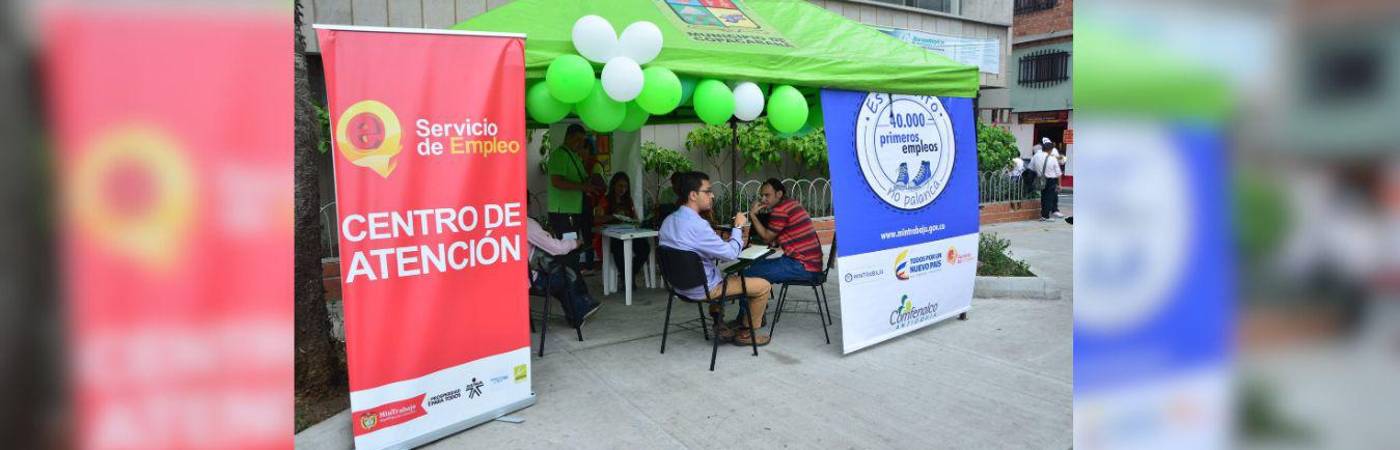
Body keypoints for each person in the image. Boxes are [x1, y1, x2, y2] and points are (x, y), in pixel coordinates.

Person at [659, 171, 772, 346]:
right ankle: (746, 334)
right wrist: (738, 226)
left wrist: (718, 245)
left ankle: (719, 324)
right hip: (703, 289)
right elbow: (731, 254)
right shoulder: (698, 225)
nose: (712, 195)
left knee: (717, 273)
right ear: (693, 195)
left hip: (678, 287)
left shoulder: (667, 222)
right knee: (763, 286)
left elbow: (690, 251)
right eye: (708, 191)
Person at [526, 216, 600, 327]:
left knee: (559, 275)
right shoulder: (527, 223)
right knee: (566, 275)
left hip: (511, 281)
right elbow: (556, 248)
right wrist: (574, 243)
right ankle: (579, 311)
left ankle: (578, 311)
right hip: (531, 282)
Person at [547, 124, 604, 268]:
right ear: (568, 137)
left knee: (573, 248)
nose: (580, 143)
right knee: (568, 248)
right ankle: (571, 285)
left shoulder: (574, 156)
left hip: (573, 211)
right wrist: (583, 187)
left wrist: (596, 183)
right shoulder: (560, 154)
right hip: (563, 212)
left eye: (582, 140)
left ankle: (572, 282)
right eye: (577, 139)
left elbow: (583, 180)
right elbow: (557, 181)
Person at [599, 172, 649, 286]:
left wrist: (634, 221)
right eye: (620, 186)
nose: (623, 189)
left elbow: (635, 218)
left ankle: (628, 275)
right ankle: (627, 278)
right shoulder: (606, 200)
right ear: (613, 185)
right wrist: (612, 216)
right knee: (619, 250)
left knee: (645, 248)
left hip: (629, 233)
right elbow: (598, 218)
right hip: (613, 236)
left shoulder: (628, 200)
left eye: (625, 186)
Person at [1030, 142, 1063, 221]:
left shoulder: (1036, 156)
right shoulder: (1052, 158)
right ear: (1051, 150)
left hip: (1040, 179)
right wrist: (1059, 184)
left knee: (1043, 196)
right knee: (1049, 198)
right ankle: (1045, 216)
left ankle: (1043, 215)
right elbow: (1058, 173)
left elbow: (1031, 167)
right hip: (1051, 180)